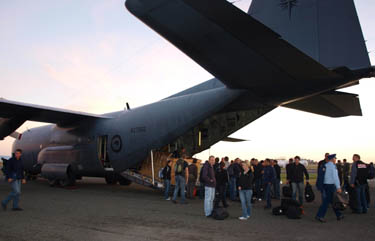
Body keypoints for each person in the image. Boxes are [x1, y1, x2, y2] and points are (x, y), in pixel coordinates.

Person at [315, 154, 344, 223]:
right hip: (330, 186)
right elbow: (335, 177)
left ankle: (338, 214)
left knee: (332, 200)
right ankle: (320, 216)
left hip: (325, 185)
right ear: (332, 159)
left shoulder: (326, 165)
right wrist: (338, 187)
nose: (335, 160)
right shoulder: (332, 166)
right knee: (326, 202)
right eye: (335, 159)